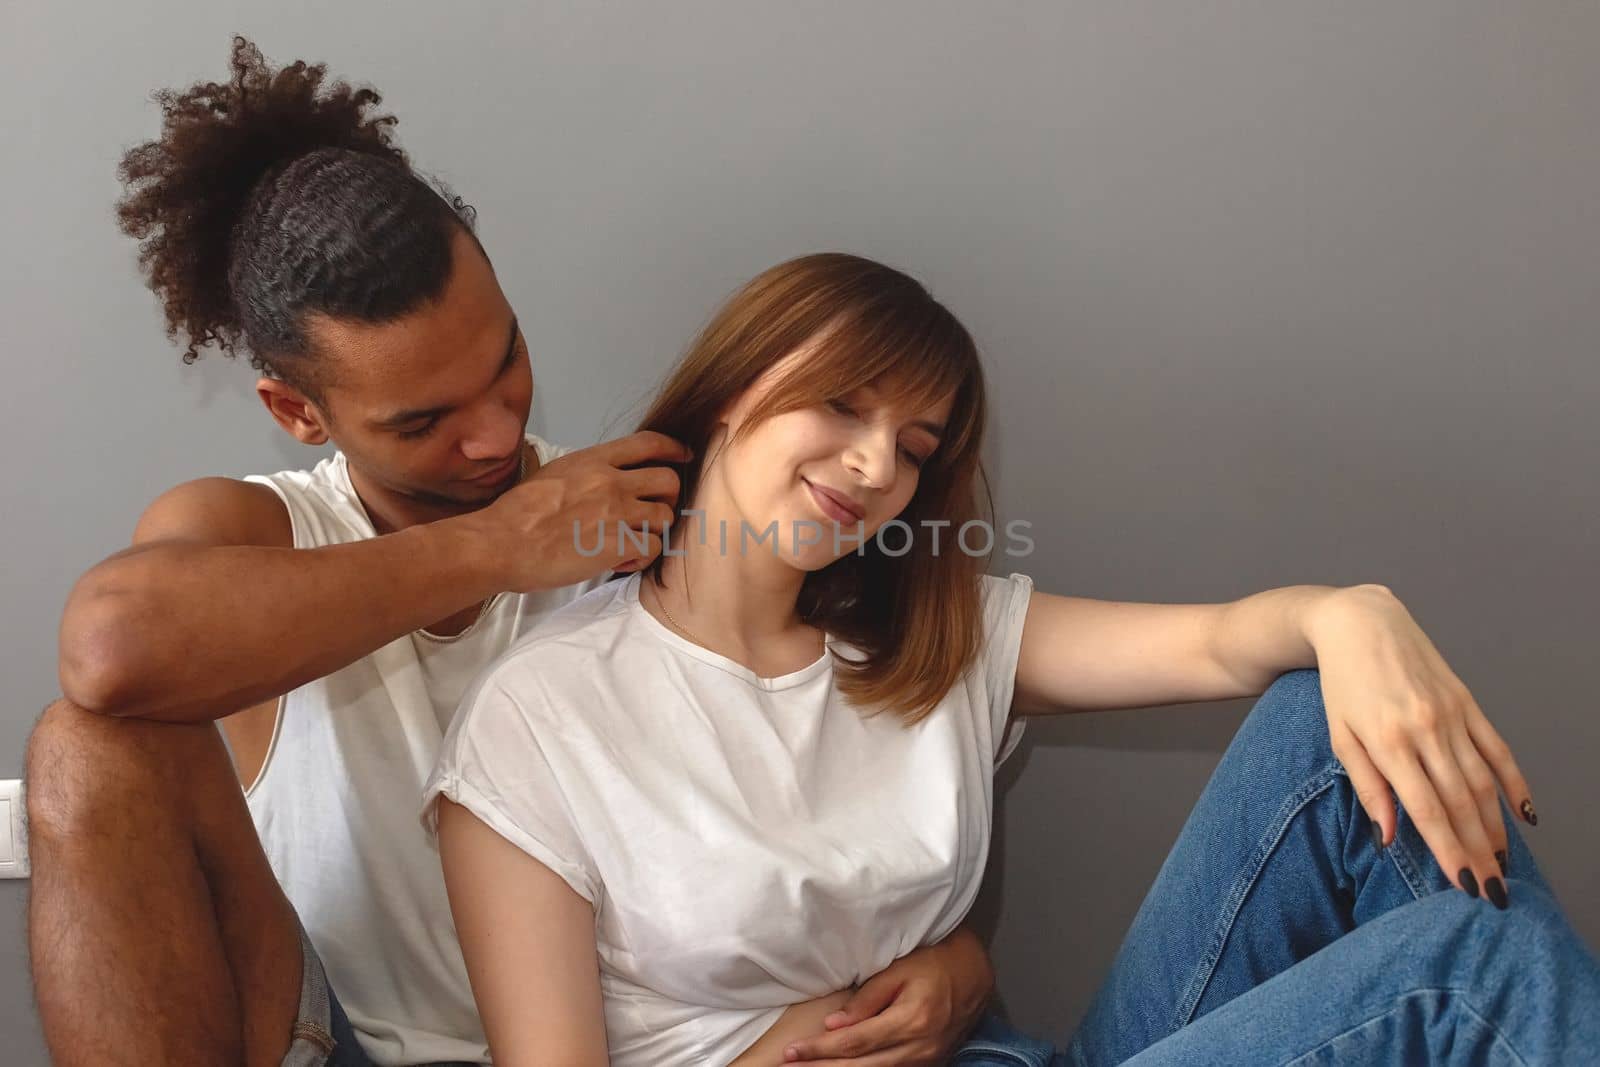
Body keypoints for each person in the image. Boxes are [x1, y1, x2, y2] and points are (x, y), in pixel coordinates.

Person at [23, 38, 997, 1067]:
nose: (492, 434)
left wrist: (956, 961)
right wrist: (494, 546)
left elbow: (838, 768)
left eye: (506, 363)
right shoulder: (260, 533)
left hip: (627, 1048)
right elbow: (110, 650)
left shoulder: (640, 512)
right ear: (297, 411)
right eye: (424, 420)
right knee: (84, 749)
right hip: (332, 1037)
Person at [422, 251, 1600, 1065]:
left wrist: (1353, 612)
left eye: (914, 445)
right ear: (732, 390)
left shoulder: (928, 638)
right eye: (841, 405)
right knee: (1466, 967)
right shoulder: (543, 714)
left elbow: (1219, 637)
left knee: (1313, 722)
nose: (876, 464)